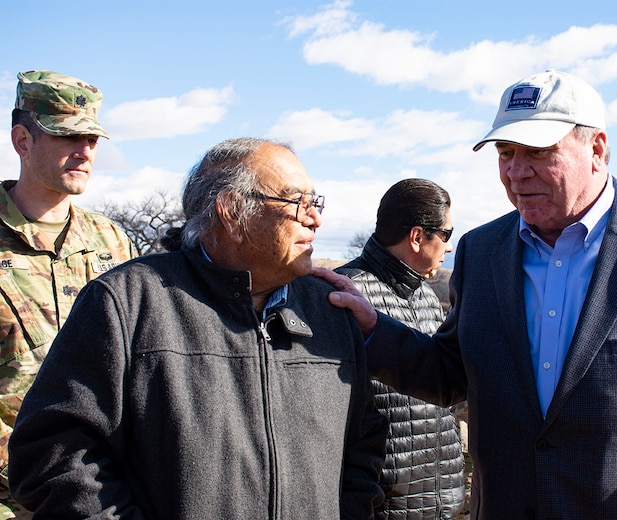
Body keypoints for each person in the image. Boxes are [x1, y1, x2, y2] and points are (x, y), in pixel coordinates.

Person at [315, 70, 617, 519]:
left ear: (597, 148)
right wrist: (372, 328)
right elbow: (454, 371)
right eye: (505, 151)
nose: (517, 171)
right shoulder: (482, 250)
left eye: (537, 151)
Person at [7, 137, 388, 518]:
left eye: (315, 201)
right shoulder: (126, 302)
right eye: (297, 202)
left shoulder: (330, 310)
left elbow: (362, 446)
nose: (314, 218)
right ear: (232, 212)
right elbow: (53, 453)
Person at [0, 70, 136, 518]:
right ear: (22, 140)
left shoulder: (113, 242)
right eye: (68, 137)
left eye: (93, 140)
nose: (85, 152)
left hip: (102, 497)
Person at [335, 178, 465, 519]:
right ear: (418, 237)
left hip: (441, 506)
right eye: (447, 235)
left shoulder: (426, 295)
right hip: (382, 507)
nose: (449, 247)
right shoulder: (343, 297)